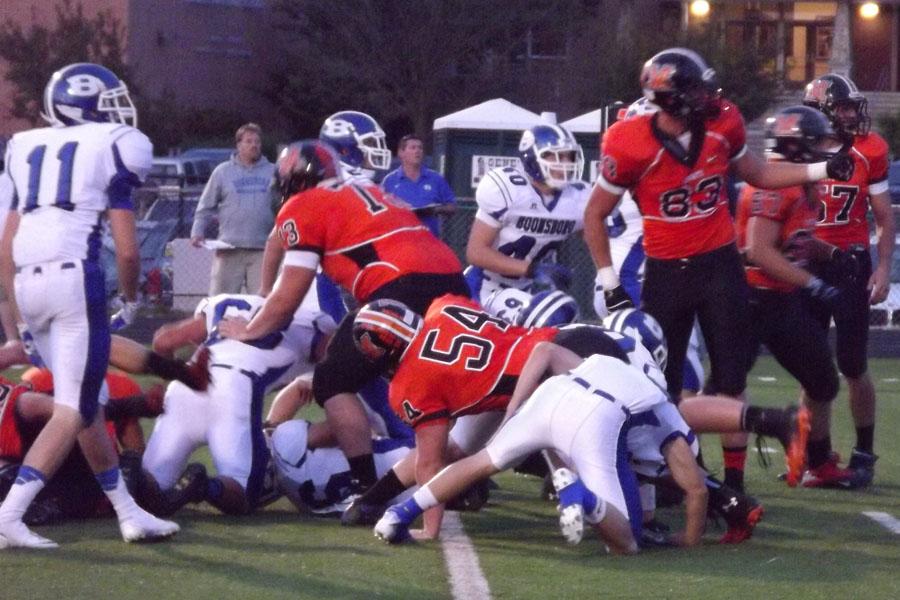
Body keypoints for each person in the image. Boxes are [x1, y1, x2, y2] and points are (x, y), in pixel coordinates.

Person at [584, 47, 854, 493]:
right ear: (668, 98)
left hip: (720, 265)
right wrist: (610, 282)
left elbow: (760, 173)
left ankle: (733, 485)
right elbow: (594, 216)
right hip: (667, 272)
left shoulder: (722, 122)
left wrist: (821, 168)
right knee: (663, 389)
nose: (707, 97)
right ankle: (677, 474)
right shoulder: (628, 142)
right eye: (694, 90)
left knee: (730, 380)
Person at [218, 140, 468, 500]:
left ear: (293, 181)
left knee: (332, 380)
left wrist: (251, 328)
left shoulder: (303, 204)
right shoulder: (367, 188)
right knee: (435, 381)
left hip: (401, 286)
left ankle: (366, 487)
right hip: (452, 280)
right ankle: (461, 472)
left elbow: (288, 297)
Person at [0, 62, 179, 548]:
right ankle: (10, 514)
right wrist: (133, 297)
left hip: (27, 284)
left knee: (86, 404)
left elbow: (6, 243)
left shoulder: (22, 145)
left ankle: (128, 512)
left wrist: (12, 321)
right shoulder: (114, 142)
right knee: (75, 407)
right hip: (74, 279)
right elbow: (126, 249)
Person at [735, 105, 858, 488]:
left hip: (782, 298)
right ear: (797, 147)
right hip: (750, 299)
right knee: (725, 387)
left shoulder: (802, 184)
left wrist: (834, 254)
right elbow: (759, 250)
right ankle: (696, 467)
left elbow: (796, 240)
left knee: (822, 379)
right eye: (818, 141)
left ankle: (816, 463)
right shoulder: (774, 186)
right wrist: (814, 284)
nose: (825, 148)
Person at [140, 293, 327, 516]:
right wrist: (313, 376)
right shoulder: (311, 324)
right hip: (235, 389)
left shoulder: (229, 305)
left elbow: (164, 341)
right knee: (244, 493)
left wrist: (170, 379)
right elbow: (335, 359)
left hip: (187, 385)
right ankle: (204, 487)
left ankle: (127, 470)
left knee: (149, 489)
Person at [801, 74, 894, 487]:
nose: (851, 114)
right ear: (821, 110)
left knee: (854, 364)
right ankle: (813, 454)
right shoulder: (798, 148)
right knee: (813, 366)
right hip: (805, 265)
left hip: (849, 264)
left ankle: (863, 452)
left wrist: (882, 266)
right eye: (841, 107)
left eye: (851, 106)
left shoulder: (868, 150)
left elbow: (885, 216)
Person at [465, 124, 586, 308]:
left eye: (569, 156)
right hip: (484, 287)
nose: (566, 163)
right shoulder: (509, 189)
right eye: (558, 155)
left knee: (564, 313)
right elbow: (476, 252)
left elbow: (598, 240)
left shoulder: (577, 197)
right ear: (533, 158)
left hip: (526, 291)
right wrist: (532, 269)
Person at [190, 123, 276, 295]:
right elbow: (206, 205)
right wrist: (197, 231)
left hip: (262, 250)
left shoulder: (274, 171)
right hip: (229, 248)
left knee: (261, 304)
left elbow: (285, 206)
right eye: (249, 141)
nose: (254, 145)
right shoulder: (222, 172)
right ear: (238, 145)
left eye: (257, 142)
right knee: (219, 300)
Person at [269, 418, 415, 516]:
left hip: (397, 497)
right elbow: (350, 424)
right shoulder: (284, 439)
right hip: (407, 457)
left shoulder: (294, 495)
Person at [381, 134, 456, 237]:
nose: (417, 151)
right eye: (412, 148)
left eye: (420, 148)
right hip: (401, 241)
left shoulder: (436, 178)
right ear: (401, 153)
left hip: (429, 240)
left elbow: (452, 207)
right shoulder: (389, 181)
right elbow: (381, 211)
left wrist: (434, 210)